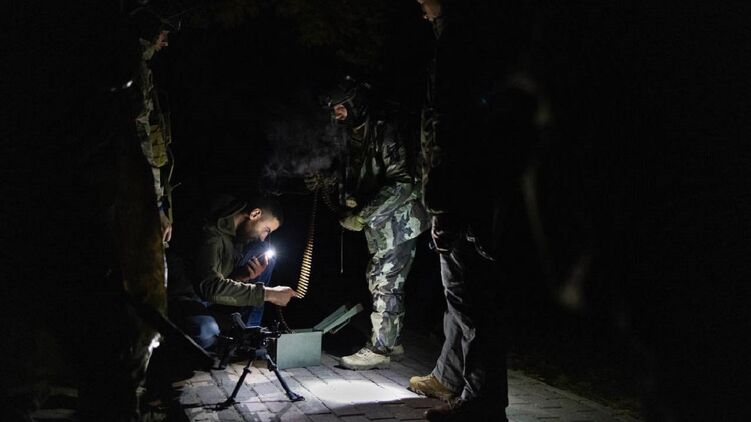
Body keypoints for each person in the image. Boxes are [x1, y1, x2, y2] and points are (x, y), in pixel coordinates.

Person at [408, 1, 517, 420]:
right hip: (478, 193)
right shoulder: (475, 37)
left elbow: (448, 130)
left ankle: (482, 401)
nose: (420, 6)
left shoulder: (458, 44)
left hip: (466, 197)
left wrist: (442, 205)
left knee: (471, 300)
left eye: (426, 0)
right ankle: (453, 378)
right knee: (465, 299)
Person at [312, 77, 430, 370]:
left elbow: (402, 183)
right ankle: (392, 340)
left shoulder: (384, 130)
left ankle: (381, 349)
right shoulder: (351, 134)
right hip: (381, 222)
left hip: (399, 219)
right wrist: (328, 183)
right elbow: (357, 175)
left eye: (340, 107)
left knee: (384, 280)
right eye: (333, 110)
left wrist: (362, 216)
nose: (336, 114)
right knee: (385, 279)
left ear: (355, 103)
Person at [169, 195, 297, 349]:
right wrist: (268, 294)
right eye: (266, 230)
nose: (263, 237)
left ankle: (250, 337)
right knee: (205, 331)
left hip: (206, 297)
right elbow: (209, 287)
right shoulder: (210, 232)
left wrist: (241, 276)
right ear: (255, 214)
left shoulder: (237, 235)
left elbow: (218, 276)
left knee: (263, 253)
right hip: (184, 299)